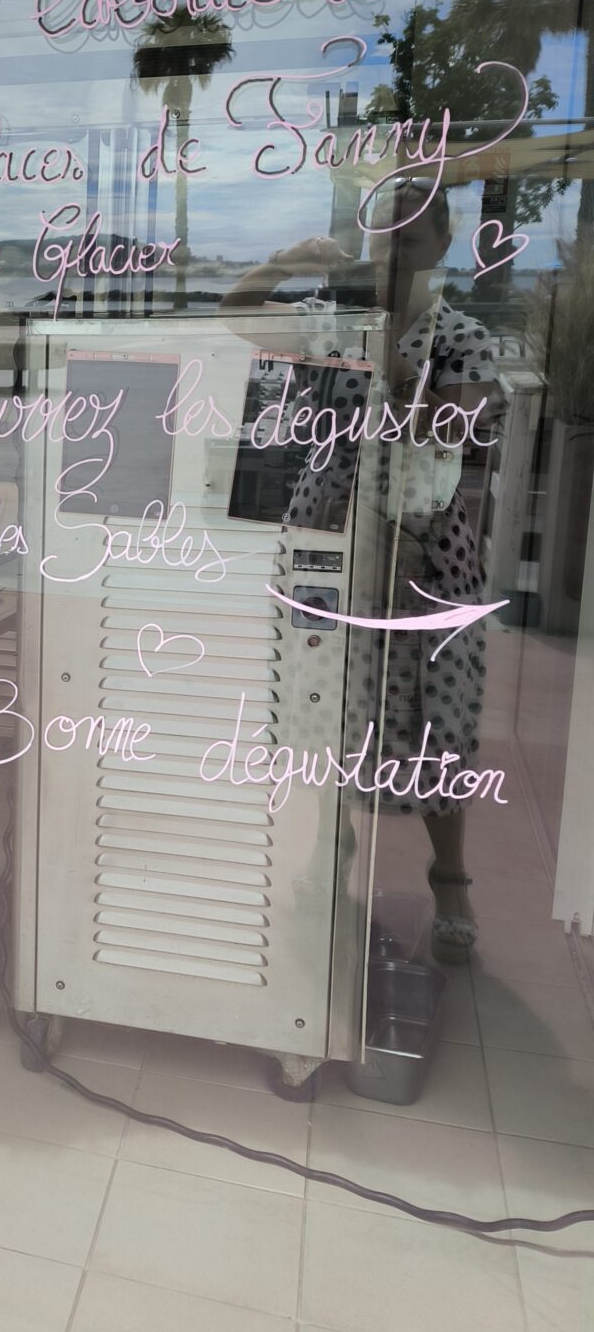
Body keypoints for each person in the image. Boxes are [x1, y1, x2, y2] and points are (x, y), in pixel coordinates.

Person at [222, 180, 497, 964]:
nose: (393, 252)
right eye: (384, 237)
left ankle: (450, 876)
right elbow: (235, 314)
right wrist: (289, 258)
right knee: (325, 701)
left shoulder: (462, 338)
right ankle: (328, 848)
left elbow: (455, 429)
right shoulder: (337, 323)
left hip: (424, 551)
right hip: (327, 541)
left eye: (411, 238)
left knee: (437, 711)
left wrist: (393, 364)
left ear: (442, 246)